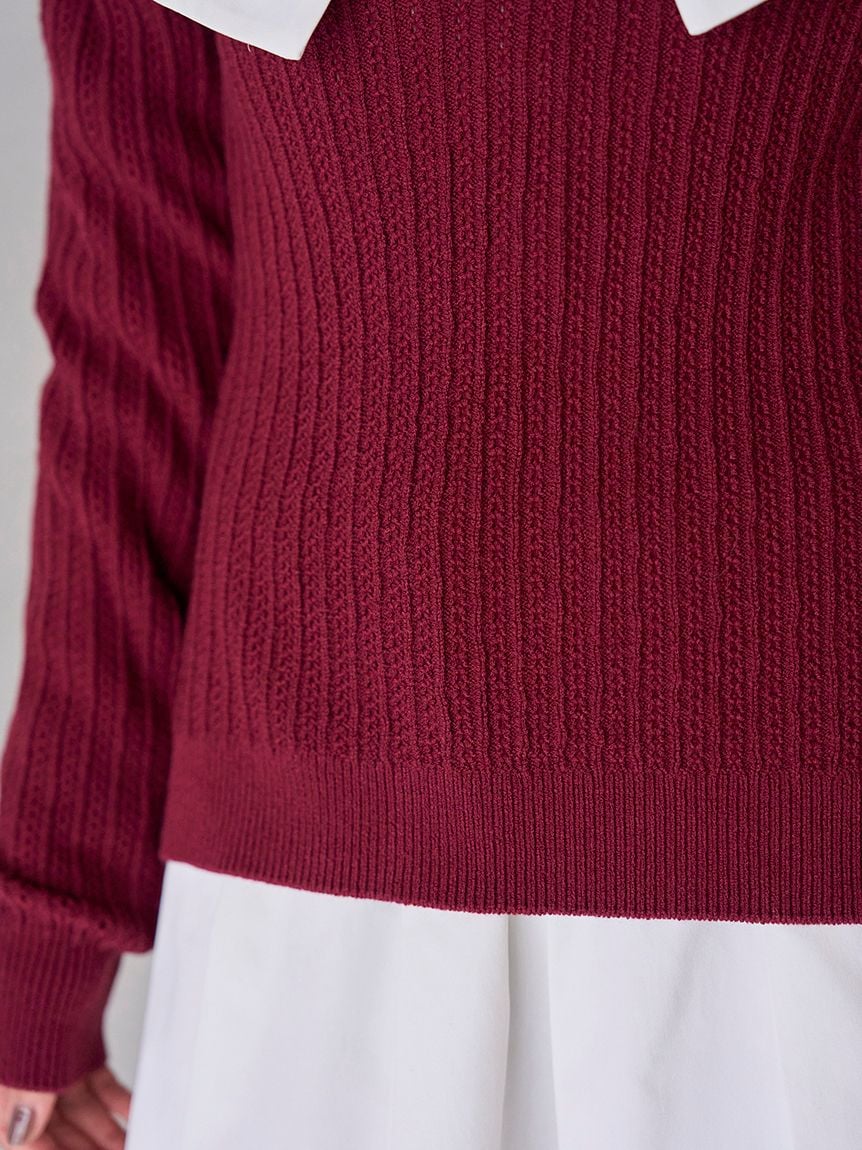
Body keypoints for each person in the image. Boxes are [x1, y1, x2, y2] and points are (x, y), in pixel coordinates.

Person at [0, 0, 860, 1145]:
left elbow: (139, 373)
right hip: (315, 885)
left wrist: (44, 945)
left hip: (780, 870)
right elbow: (142, 366)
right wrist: (44, 940)